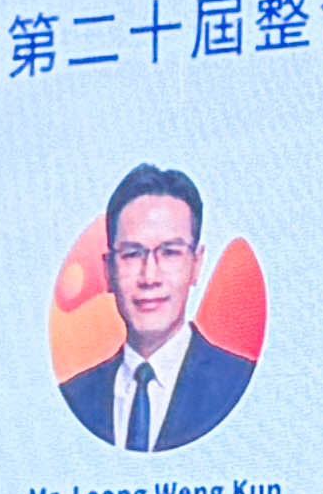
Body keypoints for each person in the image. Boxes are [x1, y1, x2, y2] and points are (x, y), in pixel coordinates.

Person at [64, 165, 254, 456]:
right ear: (108, 271)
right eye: (132, 254)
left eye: (170, 253)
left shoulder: (238, 382)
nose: (149, 277)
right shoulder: (75, 397)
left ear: (196, 265)